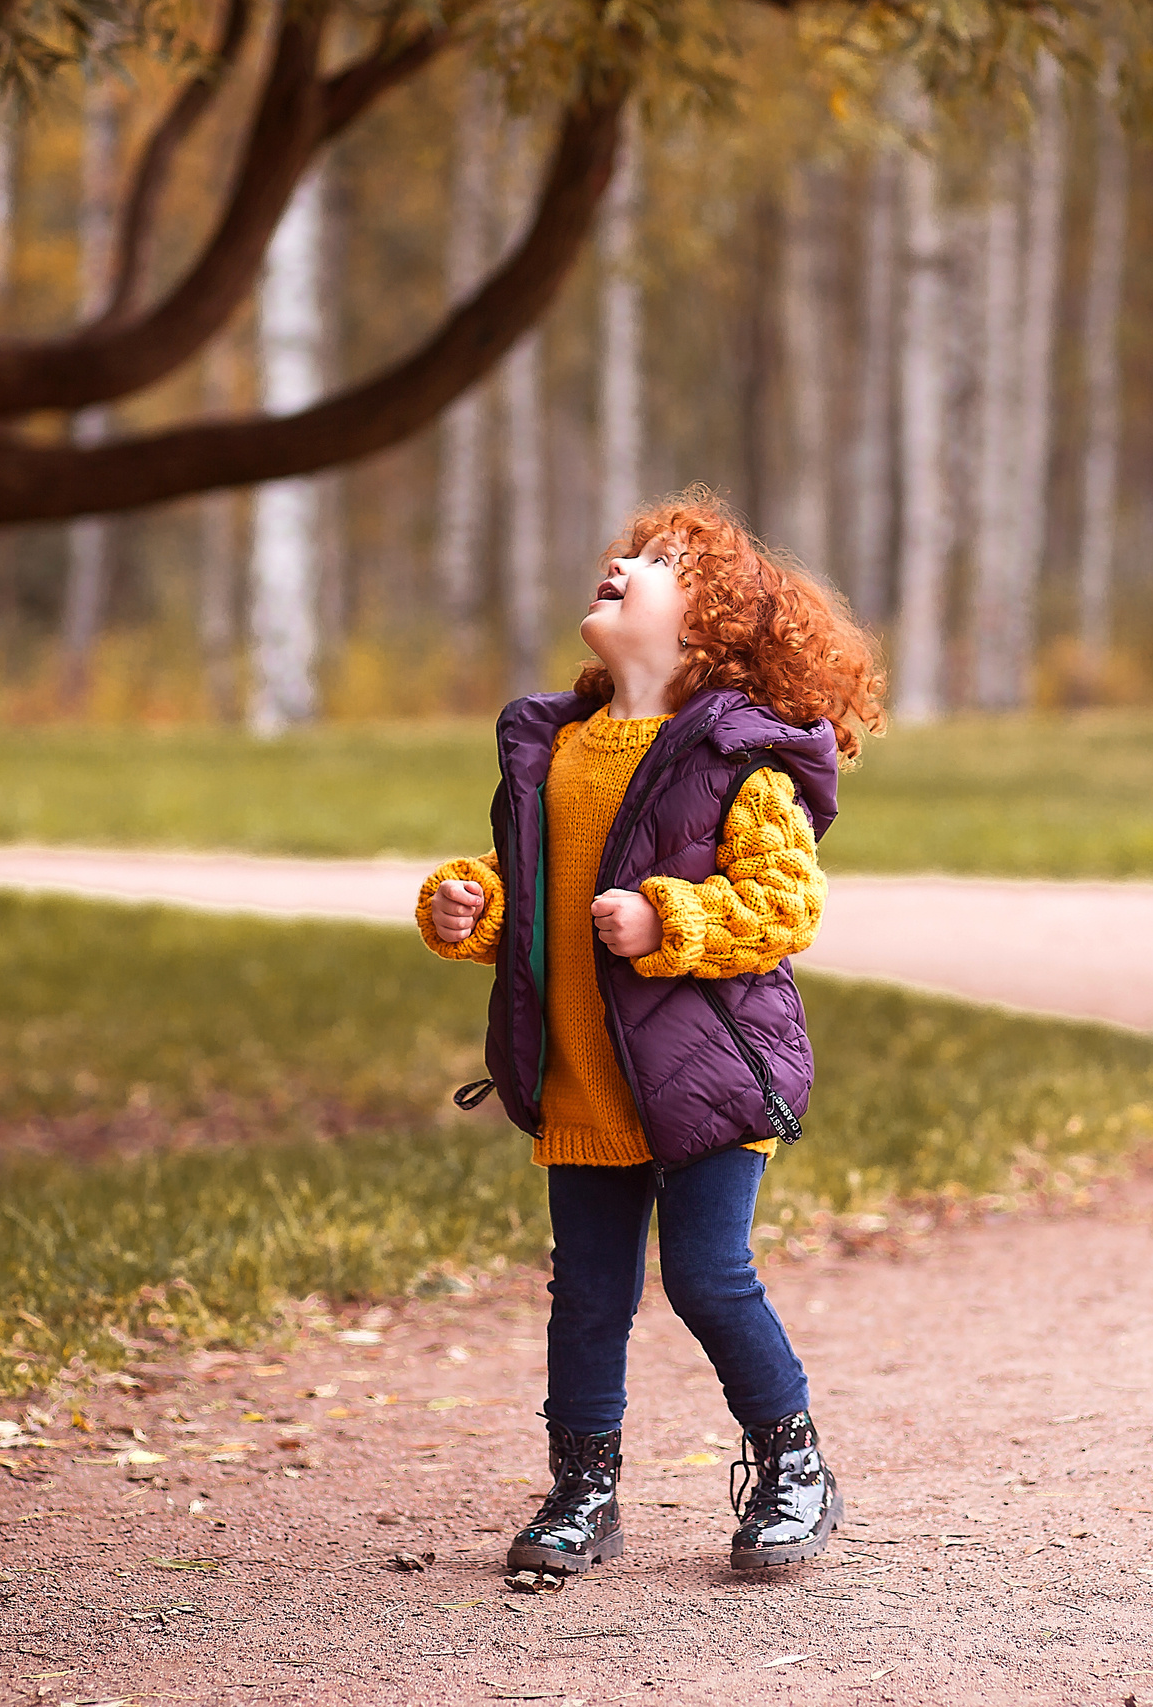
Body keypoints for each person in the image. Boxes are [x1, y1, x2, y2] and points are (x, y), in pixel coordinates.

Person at [416, 488, 884, 1578]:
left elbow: (784, 906)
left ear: (708, 630)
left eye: (661, 561)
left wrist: (667, 917)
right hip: (586, 1081)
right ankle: (583, 1490)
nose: (623, 564)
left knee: (707, 1279)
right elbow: (539, 889)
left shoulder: (735, 758)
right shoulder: (560, 748)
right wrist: (473, 905)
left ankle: (794, 1468)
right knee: (586, 1293)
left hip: (709, 1077)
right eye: (627, 550)